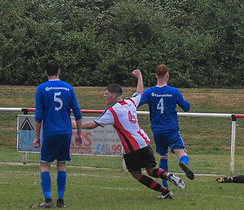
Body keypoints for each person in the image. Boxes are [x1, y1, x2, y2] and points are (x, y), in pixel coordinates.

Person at [76, 69, 185, 199]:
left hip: (132, 148)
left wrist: (74, 125)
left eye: (106, 93)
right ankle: (167, 176)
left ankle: (164, 191)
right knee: (151, 170)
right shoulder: (130, 102)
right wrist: (139, 76)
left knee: (136, 174)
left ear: (113, 96)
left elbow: (93, 124)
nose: (104, 96)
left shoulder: (112, 111)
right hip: (144, 143)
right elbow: (139, 91)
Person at [32, 60, 83, 208]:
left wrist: (36, 136)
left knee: (44, 164)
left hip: (50, 132)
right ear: (59, 71)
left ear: (46, 72)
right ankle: (60, 199)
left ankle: (48, 199)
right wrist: (79, 133)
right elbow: (78, 113)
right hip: (66, 132)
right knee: (61, 164)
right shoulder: (68, 88)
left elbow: (39, 115)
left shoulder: (42, 89)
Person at [139, 64, 194, 190]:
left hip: (157, 130)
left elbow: (137, 103)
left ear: (155, 75)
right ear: (167, 75)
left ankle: (165, 185)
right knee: (182, 154)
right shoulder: (174, 92)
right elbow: (186, 107)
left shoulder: (150, 92)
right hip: (171, 129)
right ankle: (183, 163)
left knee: (163, 156)